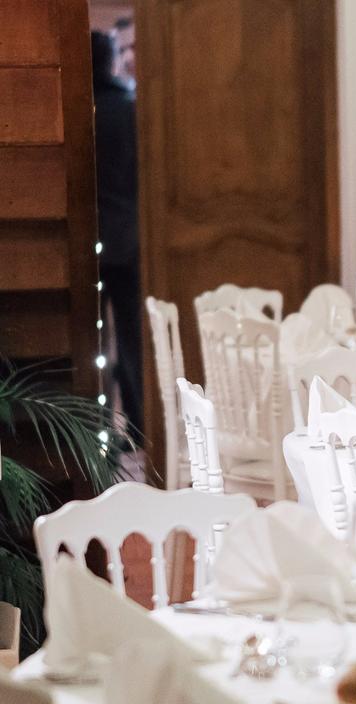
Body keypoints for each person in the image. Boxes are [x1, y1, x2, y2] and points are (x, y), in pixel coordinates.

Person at [92, 31, 143, 439]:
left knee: (92, 342)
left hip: (85, 243)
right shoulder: (128, 108)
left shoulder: (75, 108)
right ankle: (141, 425)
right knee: (130, 339)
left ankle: (96, 431)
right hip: (128, 238)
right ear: (111, 61)